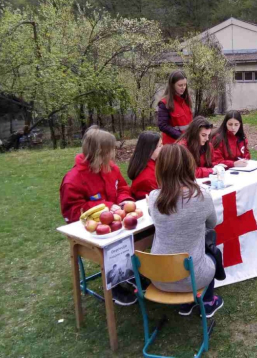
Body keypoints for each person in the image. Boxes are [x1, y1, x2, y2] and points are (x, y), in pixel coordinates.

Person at [59, 125, 137, 306]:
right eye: (110, 150)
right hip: (92, 233)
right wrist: (108, 207)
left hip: (117, 224)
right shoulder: (73, 179)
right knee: (115, 245)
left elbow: (123, 188)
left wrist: (124, 200)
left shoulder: (111, 168)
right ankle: (114, 284)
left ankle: (131, 274)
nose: (113, 154)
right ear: (98, 152)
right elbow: (72, 212)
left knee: (137, 235)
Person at [147, 144, 224, 317]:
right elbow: (212, 223)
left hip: (158, 277)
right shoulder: (202, 196)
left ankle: (187, 303)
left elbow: (152, 213)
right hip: (193, 278)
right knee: (211, 242)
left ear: (160, 169)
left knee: (194, 247)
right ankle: (208, 301)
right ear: (189, 166)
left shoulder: (154, 198)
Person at [157, 70, 193, 145]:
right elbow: (163, 125)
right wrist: (181, 136)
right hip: (172, 145)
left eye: (185, 85)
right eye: (180, 85)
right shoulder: (164, 103)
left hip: (186, 143)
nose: (183, 87)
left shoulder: (186, 101)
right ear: (172, 85)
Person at [128, 131, 163, 200]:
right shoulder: (148, 177)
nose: (163, 147)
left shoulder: (151, 164)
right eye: (160, 146)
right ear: (150, 150)